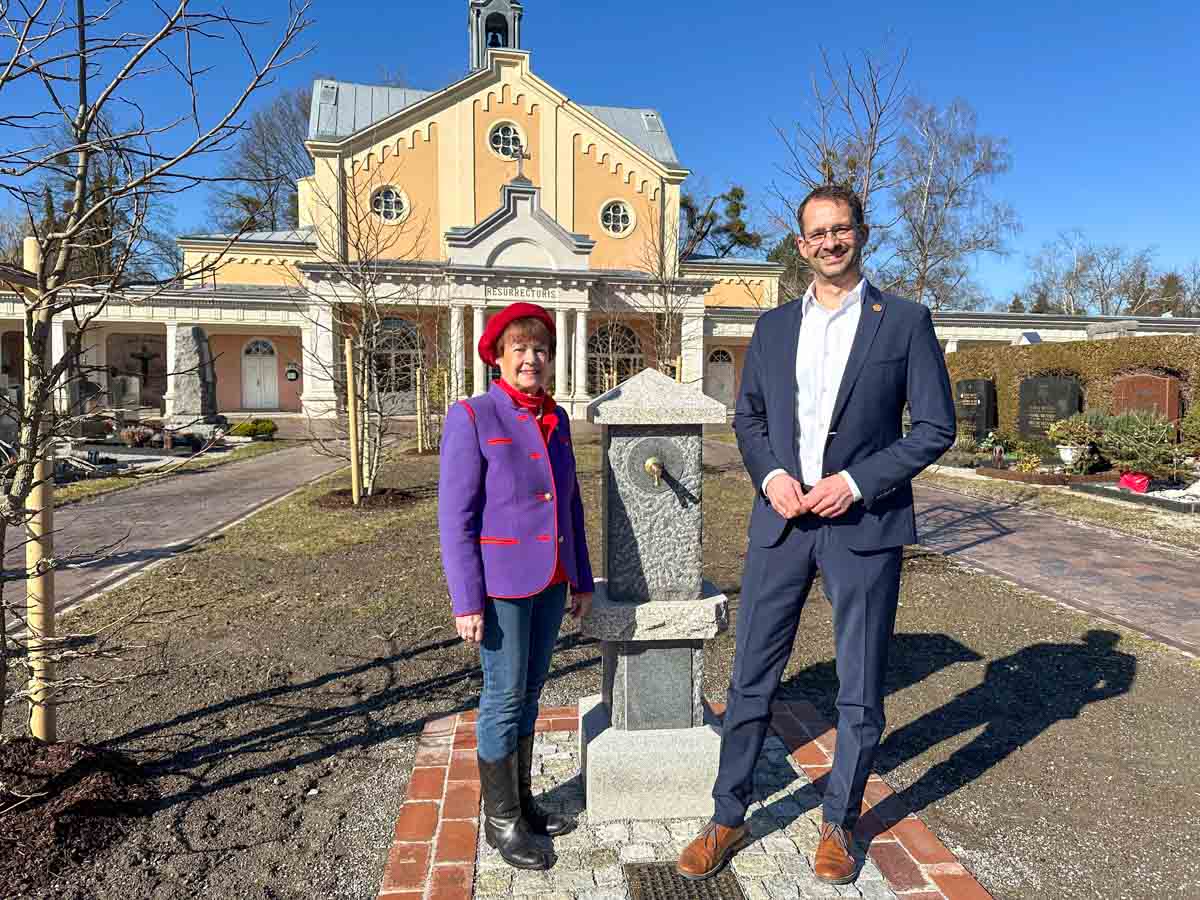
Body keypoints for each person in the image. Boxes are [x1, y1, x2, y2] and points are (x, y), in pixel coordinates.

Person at [676, 185, 956, 885]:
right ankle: (727, 814)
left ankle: (839, 821)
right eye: (816, 234)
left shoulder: (906, 323)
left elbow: (933, 427)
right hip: (782, 522)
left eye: (841, 230)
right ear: (800, 246)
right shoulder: (771, 328)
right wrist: (770, 476)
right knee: (750, 679)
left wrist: (856, 482)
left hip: (862, 526)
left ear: (861, 234)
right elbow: (750, 419)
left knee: (859, 687)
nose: (830, 242)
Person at [438, 302, 594, 871]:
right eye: (520, 349)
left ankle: (523, 803)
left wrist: (580, 577)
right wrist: (466, 600)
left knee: (530, 694)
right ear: (499, 357)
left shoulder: (556, 419)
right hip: (501, 586)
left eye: (541, 350)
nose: (532, 358)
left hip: (552, 580)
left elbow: (570, 505)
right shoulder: (474, 416)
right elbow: (456, 518)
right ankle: (501, 823)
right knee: (502, 699)